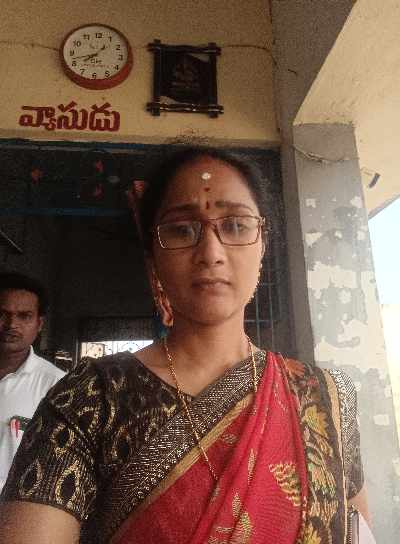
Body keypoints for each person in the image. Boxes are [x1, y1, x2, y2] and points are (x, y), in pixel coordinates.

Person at [0, 148, 371, 543]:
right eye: (181, 230)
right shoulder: (89, 399)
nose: (211, 253)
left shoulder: (325, 398)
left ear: (262, 244)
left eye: (236, 225)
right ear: (152, 256)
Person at [0, 272, 65, 493]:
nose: (11, 325)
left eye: (24, 316)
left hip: (13, 510)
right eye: (2, 314)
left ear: (39, 324)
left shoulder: (57, 387)